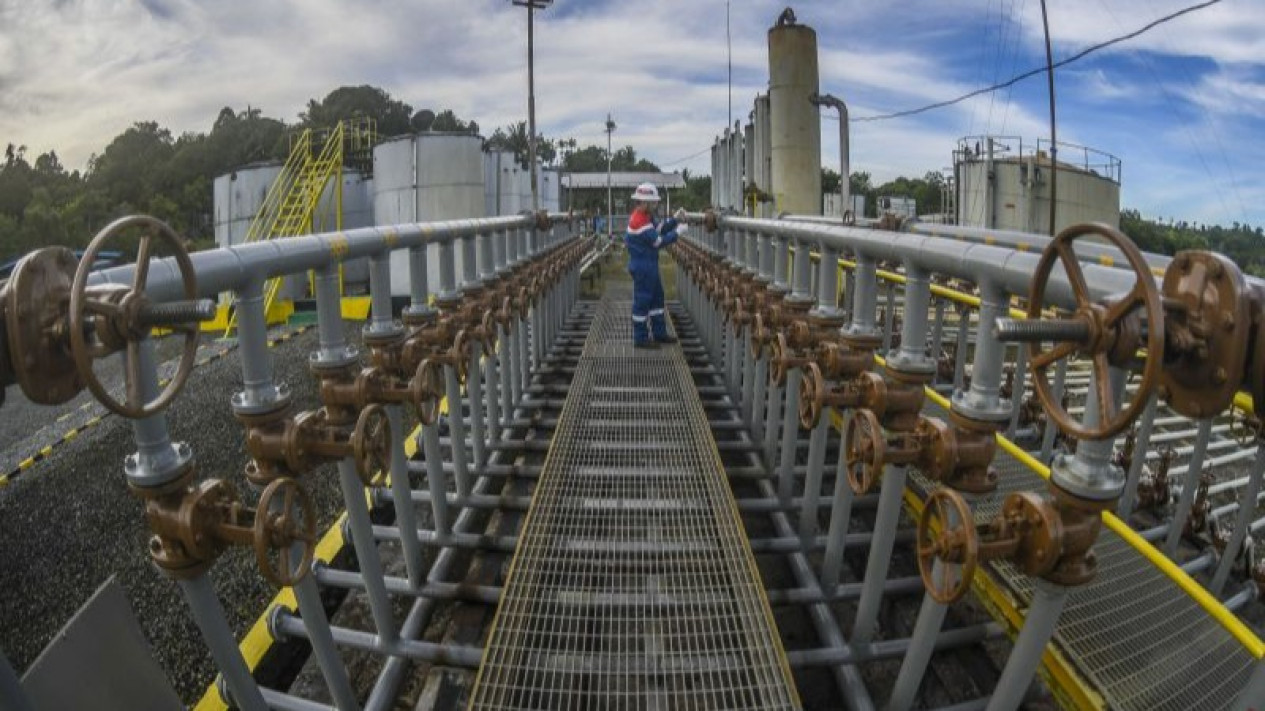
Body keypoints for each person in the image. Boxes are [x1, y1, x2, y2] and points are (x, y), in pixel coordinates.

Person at [624, 182, 685, 348]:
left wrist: (675, 220)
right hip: (642, 267)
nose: (656, 205)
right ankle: (641, 338)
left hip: (649, 265)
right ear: (645, 203)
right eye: (654, 202)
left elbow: (660, 228)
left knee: (657, 298)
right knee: (643, 300)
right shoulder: (639, 221)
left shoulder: (646, 217)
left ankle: (659, 333)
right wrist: (677, 233)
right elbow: (659, 241)